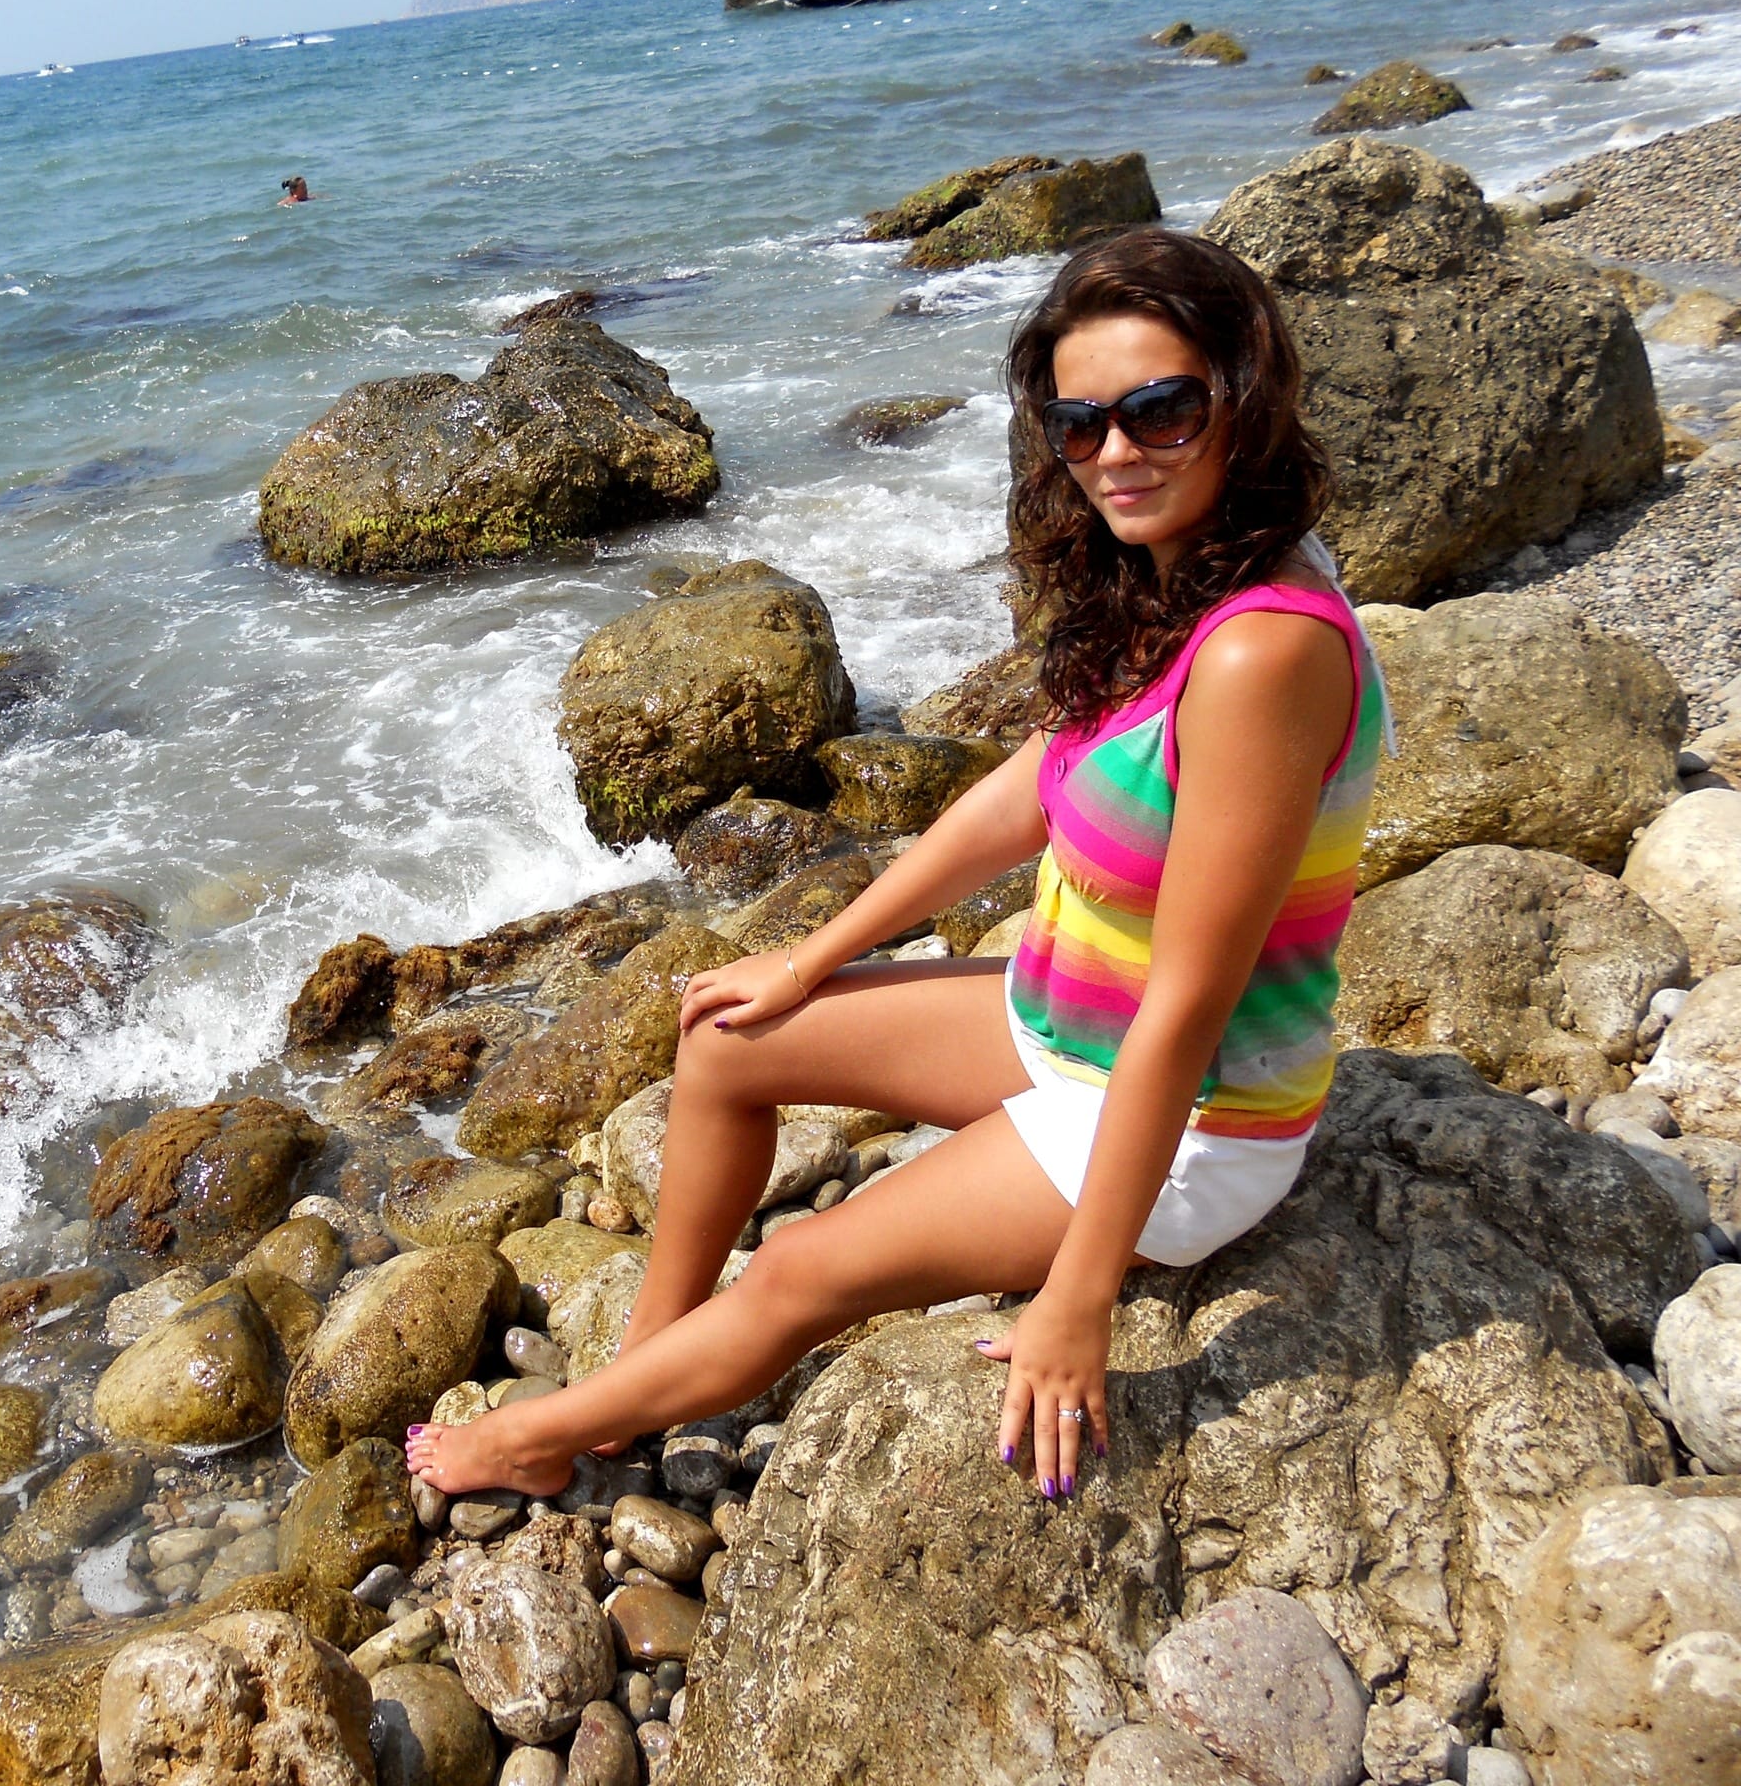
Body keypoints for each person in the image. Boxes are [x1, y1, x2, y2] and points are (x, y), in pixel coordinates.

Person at [407, 227, 1387, 1506]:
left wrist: (1078, 1296)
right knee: (725, 1041)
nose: (1115, 454)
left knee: (801, 1269)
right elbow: (1022, 796)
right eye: (1078, 424)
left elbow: (1190, 1007)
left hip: (1190, 1121)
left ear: (1242, 402)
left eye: (1161, 411)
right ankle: (646, 1367)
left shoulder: (1262, 652)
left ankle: (544, 1436)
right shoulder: (1168, 586)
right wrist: (812, 957)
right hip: (1060, 1028)